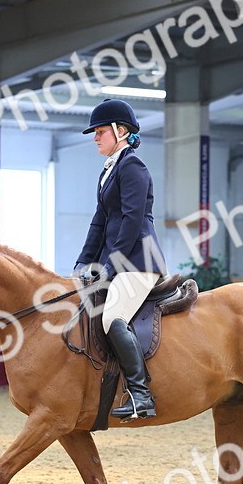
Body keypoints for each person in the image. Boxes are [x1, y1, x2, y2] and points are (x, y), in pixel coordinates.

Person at [74, 99, 167, 420]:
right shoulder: (108, 172)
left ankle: (141, 395)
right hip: (116, 262)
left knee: (111, 317)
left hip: (138, 261)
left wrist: (111, 267)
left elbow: (131, 222)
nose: (95, 138)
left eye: (100, 132)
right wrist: (82, 262)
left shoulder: (133, 167)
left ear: (120, 131)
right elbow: (99, 223)